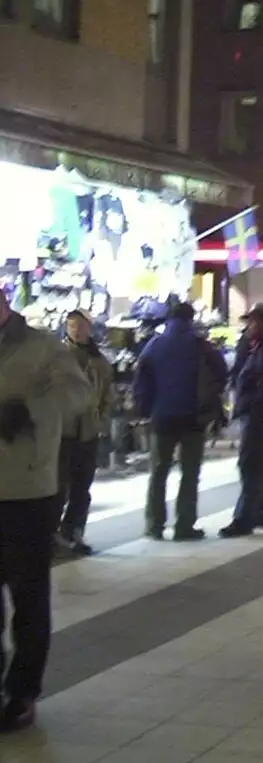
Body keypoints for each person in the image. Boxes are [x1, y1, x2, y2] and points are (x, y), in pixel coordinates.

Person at [0, 288, 91, 732]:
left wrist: (29, 409)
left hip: (26, 491)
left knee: (29, 597)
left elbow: (79, 397)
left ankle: (22, 691)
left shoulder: (43, 348)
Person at [135, 302, 223, 542]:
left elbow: (141, 379)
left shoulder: (154, 345)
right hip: (193, 418)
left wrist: (146, 408)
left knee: (158, 471)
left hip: (162, 417)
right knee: (190, 473)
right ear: (191, 320)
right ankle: (184, 526)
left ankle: (154, 525)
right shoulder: (202, 347)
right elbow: (221, 374)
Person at [221, 304, 263, 537]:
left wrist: (251, 405)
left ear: (262, 322)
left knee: (249, 463)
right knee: (260, 461)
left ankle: (244, 519)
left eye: (251, 322)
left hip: (259, 413)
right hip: (261, 412)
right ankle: (262, 511)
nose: (247, 327)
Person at [55, 311, 113, 556]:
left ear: (89, 328)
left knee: (82, 487)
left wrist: (101, 422)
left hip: (87, 433)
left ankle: (74, 532)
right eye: (71, 326)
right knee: (57, 487)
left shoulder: (99, 361)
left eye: (80, 326)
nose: (76, 330)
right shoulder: (56, 356)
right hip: (61, 433)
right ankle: (50, 537)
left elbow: (107, 396)